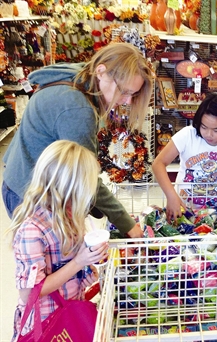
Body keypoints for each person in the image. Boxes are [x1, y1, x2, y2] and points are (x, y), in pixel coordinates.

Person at [2, 42, 154, 238]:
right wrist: (127, 224)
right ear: (101, 71)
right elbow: (85, 177)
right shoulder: (77, 108)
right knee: (43, 264)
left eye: (133, 94)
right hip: (31, 196)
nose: (127, 101)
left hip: (20, 179)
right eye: (124, 91)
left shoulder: (76, 77)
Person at [9, 140, 108, 340]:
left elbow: (70, 268)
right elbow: (29, 294)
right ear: (68, 186)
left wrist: (89, 267)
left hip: (70, 313)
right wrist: (78, 262)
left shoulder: (71, 217)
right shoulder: (33, 230)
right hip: (45, 324)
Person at [152, 93, 217, 221]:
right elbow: (158, 164)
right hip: (182, 207)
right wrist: (171, 196)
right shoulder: (187, 135)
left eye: (216, 130)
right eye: (203, 127)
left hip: (214, 213)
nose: (208, 134)